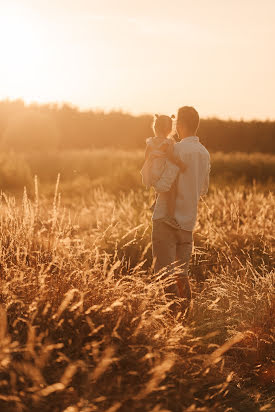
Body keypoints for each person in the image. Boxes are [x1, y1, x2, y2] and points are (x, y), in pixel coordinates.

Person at [151, 106, 210, 307]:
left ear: (181, 125)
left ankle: (174, 320)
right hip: (187, 223)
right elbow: (203, 189)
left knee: (164, 276)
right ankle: (187, 317)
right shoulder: (204, 153)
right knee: (181, 275)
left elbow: (163, 182)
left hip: (166, 221)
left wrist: (154, 184)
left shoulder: (176, 149)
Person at [140, 114, 186, 229]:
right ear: (169, 129)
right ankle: (170, 216)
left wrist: (154, 158)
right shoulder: (168, 142)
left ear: (155, 127)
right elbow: (170, 156)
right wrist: (180, 164)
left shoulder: (150, 141)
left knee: (159, 186)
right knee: (172, 190)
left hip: (153, 171)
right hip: (162, 171)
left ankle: (156, 202)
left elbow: (146, 156)